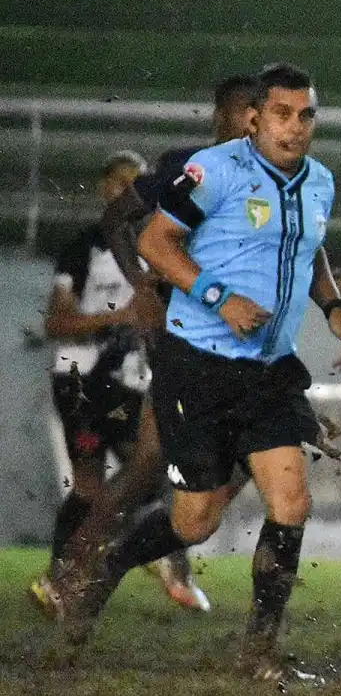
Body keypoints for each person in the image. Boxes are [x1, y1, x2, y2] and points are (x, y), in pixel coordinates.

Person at [56, 63, 341, 680]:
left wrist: (333, 308)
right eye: (282, 114)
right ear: (254, 118)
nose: (295, 127)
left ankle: (259, 652)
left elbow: (310, 247)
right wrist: (220, 298)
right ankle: (110, 564)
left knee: (291, 501)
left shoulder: (320, 181)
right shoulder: (213, 171)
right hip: (196, 366)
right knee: (195, 522)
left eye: (306, 116)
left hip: (269, 370)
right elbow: (154, 241)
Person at [45, 77, 264, 612]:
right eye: (248, 112)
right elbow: (118, 222)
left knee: (193, 469)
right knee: (143, 467)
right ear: (222, 116)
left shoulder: (273, 176)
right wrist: (142, 289)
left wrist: (326, 296)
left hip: (239, 347)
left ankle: (116, 562)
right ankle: (77, 574)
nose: (259, 123)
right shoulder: (188, 167)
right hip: (167, 347)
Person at [28, 151, 208, 615]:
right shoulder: (84, 249)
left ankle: (170, 568)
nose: (125, 189)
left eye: (134, 181)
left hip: (128, 384)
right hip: (81, 380)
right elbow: (56, 322)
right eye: (117, 181)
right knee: (90, 485)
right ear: (103, 189)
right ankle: (61, 578)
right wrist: (120, 316)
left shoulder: (156, 246)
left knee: (154, 468)